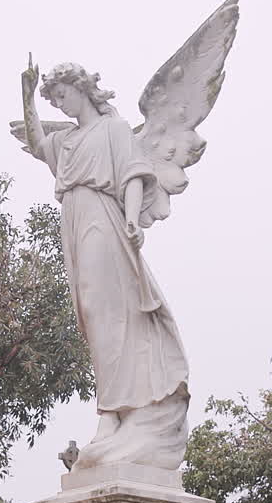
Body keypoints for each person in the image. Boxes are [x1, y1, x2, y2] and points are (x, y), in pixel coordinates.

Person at [20, 59, 190, 471]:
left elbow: (134, 173)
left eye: (63, 95)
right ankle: (112, 412)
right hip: (74, 223)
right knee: (92, 318)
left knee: (106, 312)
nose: (59, 105)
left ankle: (112, 414)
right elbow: (38, 140)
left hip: (103, 218)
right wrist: (26, 97)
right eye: (54, 99)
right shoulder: (67, 142)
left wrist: (132, 218)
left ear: (81, 88)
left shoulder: (113, 129)